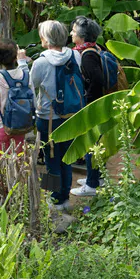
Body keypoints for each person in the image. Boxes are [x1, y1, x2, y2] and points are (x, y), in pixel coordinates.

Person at [30, 20, 82, 211]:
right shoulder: (75, 55)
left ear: (46, 39)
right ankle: (65, 198)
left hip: (48, 118)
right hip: (71, 116)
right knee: (66, 158)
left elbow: (31, 85)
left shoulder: (41, 62)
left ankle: (53, 200)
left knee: (50, 159)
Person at [69, 16, 105, 197]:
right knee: (96, 142)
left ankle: (92, 184)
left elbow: (97, 80)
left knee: (91, 143)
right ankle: (97, 177)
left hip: (94, 105)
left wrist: (88, 101)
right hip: (99, 103)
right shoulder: (95, 48)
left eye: (74, 32)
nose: (71, 34)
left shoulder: (87, 55)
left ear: (82, 36)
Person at [0, 39, 34, 157]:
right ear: (15, 57)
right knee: (18, 164)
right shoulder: (26, 76)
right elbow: (34, 103)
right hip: (20, 126)